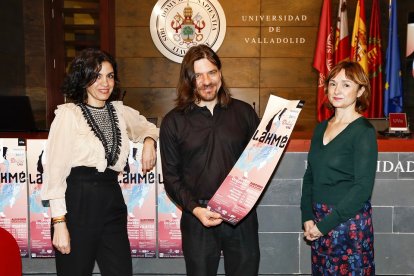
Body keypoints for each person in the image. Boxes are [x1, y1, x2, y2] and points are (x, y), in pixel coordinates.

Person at [41, 48, 159, 276]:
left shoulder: (120, 111)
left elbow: (148, 127)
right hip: (77, 204)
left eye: (110, 75)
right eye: (96, 76)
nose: (105, 83)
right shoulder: (69, 114)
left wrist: (148, 142)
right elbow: (55, 172)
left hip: (112, 202)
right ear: (83, 79)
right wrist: (59, 223)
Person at [159, 44, 260, 276]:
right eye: (198, 75)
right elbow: (172, 179)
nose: (207, 81)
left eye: (212, 72)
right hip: (197, 216)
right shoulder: (174, 121)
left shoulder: (244, 113)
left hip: (240, 216)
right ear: (189, 79)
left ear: (220, 74)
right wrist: (195, 209)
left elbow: (259, 164)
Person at [301, 61, 377, 275]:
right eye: (333, 84)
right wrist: (307, 216)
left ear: (360, 90)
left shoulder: (364, 132)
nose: (337, 90)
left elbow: (362, 189)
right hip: (318, 220)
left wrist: (324, 226)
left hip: (348, 223)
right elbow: (310, 176)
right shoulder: (320, 128)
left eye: (346, 85)